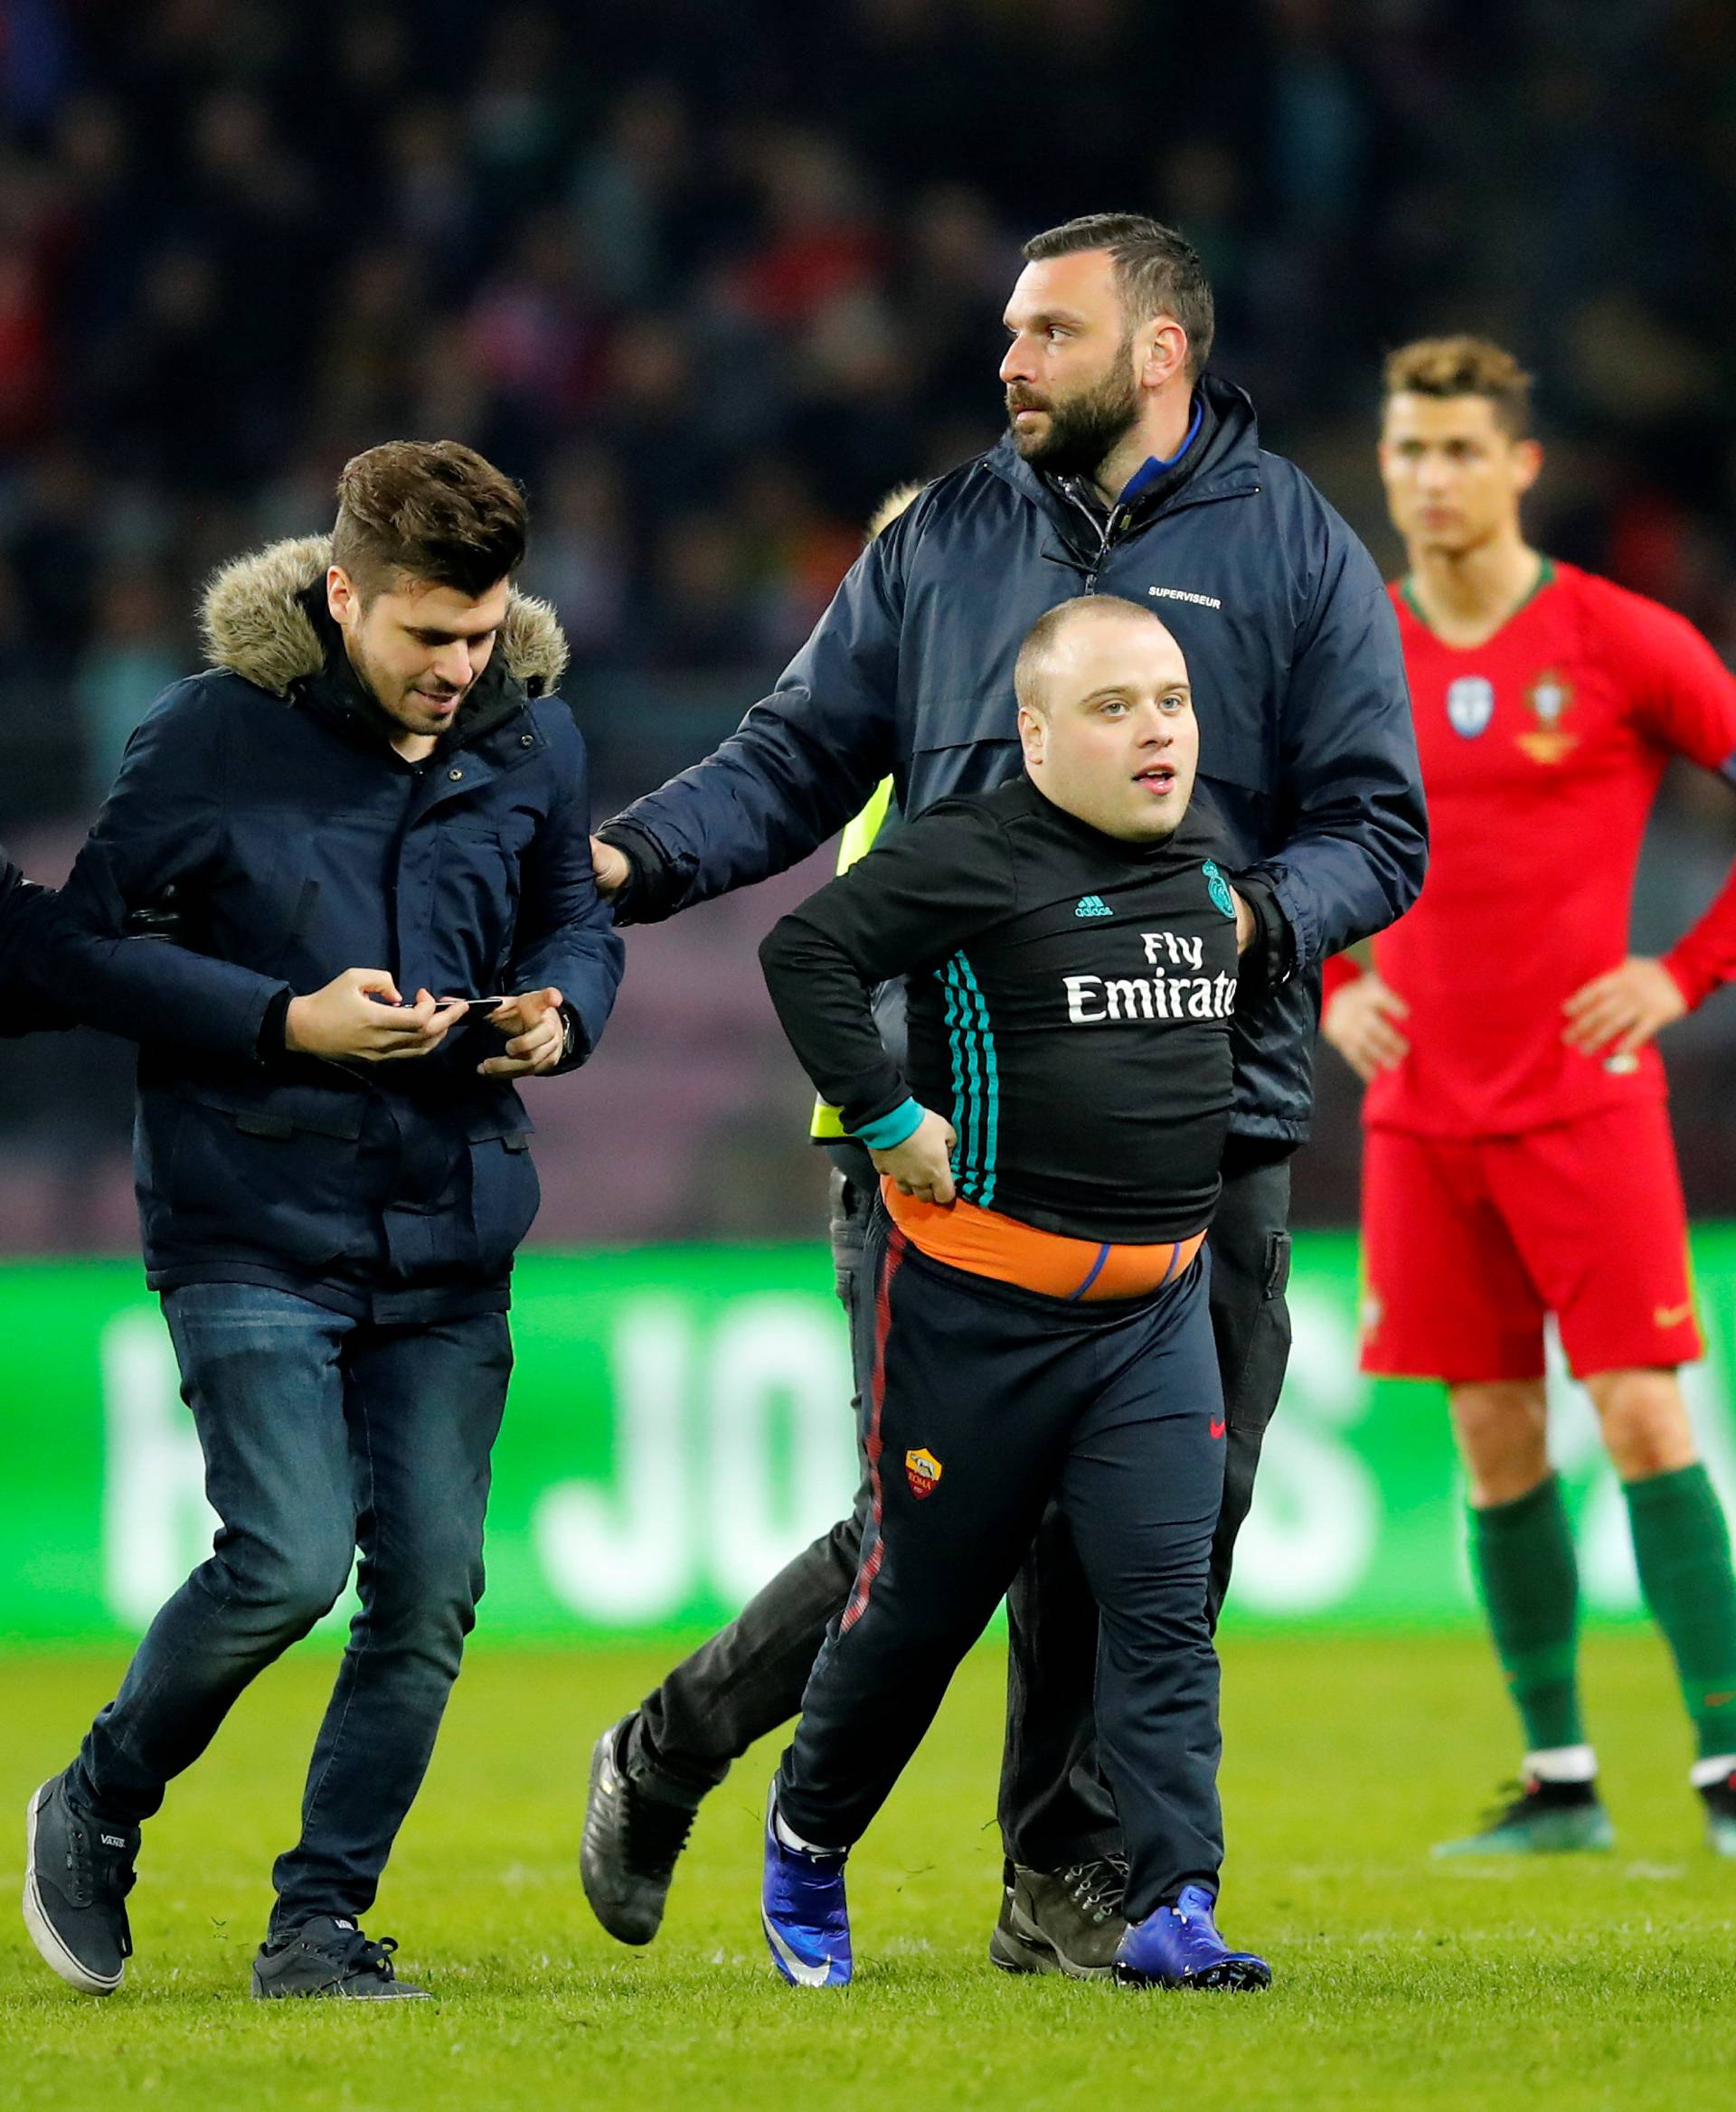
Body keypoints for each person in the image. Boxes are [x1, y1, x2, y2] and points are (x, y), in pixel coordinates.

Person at [580, 210, 1427, 1974]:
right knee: (933, 1538)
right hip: (942, 1137)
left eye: (1048, 332)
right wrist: (631, 860)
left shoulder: (1294, 552)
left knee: (1151, 1539)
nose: (1009, 361)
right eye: (1012, 333)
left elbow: (1380, 826)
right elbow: (795, 757)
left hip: (1204, 1129)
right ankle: (675, 1751)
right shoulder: (948, 537)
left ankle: (1063, 1875)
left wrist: (1254, 925)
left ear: (1160, 351)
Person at [23, 440, 624, 2000]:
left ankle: (318, 1925)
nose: (458, 668)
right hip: (251, 1215)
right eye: (428, 635)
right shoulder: (211, 736)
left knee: (428, 1594)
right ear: (341, 592)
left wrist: (565, 1013)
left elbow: (572, 909)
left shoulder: (534, 738)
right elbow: (81, 952)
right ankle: (97, 1800)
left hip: (448, 1225)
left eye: (482, 634)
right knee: (286, 1563)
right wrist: (284, 1021)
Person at [757, 594, 1267, 1991]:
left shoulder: (1206, 859)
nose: (1158, 730)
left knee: (1162, 1612)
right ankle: (807, 1839)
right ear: (1035, 738)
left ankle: (1177, 1905)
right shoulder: (967, 856)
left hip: (1155, 1318)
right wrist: (879, 1113)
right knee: (919, 1611)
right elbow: (802, 952)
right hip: (980, 1321)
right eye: (1116, 708)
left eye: (1169, 700)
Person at [1323, 335, 1736, 1856]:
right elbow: (1279, 842)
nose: (1427, 479)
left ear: (1520, 465)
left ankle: (1729, 1761)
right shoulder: (1351, 648)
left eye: (1455, 451)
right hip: (1423, 1115)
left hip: (1584, 1102)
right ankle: (1560, 1779)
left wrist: (1679, 979)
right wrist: (1338, 984)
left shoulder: (1623, 640)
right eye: (1406, 451)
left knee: (1640, 1415)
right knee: (1496, 1440)